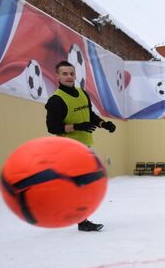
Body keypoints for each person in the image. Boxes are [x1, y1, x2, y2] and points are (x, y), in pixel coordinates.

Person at [45, 60, 116, 232]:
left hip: (85, 146)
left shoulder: (82, 93)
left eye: (71, 73)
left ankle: (74, 213)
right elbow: (52, 128)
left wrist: (103, 124)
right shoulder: (56, 100)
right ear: (58, 76)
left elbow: (89, 114)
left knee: (83, 184)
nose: (69, 77)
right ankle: (81, 219)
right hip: (68, 149)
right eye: (65, 74)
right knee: (83, 184)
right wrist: (77, 126)